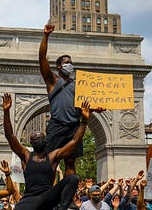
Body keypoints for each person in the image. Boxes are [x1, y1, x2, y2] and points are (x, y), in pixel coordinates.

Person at [3, 93, 93, 210]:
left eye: (41, 137)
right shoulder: (25, 155)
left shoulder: (53, 156)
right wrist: (6, 112)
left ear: (45, 141)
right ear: (31, 142)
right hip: (29, 199)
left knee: (73, 178)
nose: (39, 138)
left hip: (47, 197)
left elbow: (75, 141)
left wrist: (84, 121)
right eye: (36, 138)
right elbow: (9, 135)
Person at [39, 24, 105, 176]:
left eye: (71, 62)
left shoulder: (79, 85)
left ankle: (68, 196)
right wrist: (46, 36)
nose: (69, 65)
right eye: (66, 62)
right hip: (57, 125)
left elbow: (84, 106)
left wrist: (96, 108)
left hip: (74, 126)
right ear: (58, 66)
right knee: (52, 160)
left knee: (70, 161)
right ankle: (47, 193)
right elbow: (42, 58)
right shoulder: (52, 81)